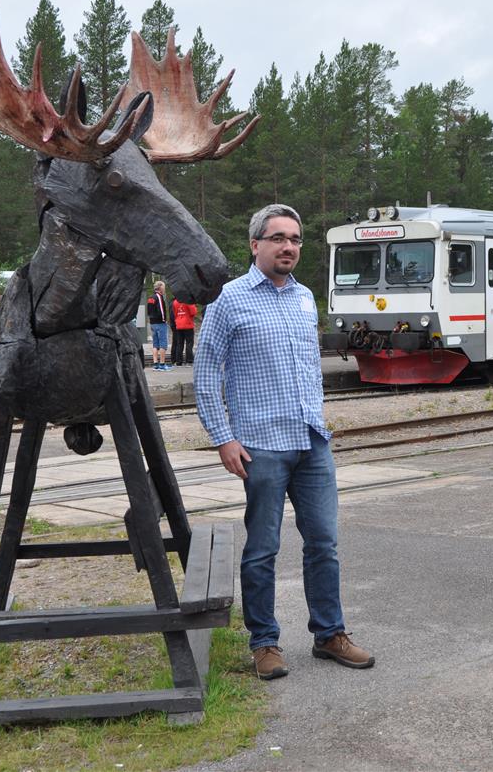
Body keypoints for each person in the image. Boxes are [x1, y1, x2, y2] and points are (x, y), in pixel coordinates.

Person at [194, 203, 374, 681]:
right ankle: (264, 643)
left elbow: (307, 371)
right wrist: (223, 437)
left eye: (294, 239)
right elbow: (207, 373)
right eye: (278, 238)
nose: (288, 246)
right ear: (255, 245)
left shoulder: (303, 297)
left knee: (324, 545)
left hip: (312, 443)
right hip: (262, 446)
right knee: (262, 550)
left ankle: (330, 634)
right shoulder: (228, 300)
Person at [146, 280, 172, 371]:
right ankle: (162, 364)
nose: (164, 289)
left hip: (152, 323)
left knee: (155, 344)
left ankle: (155, 364)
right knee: (163, 344)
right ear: (160, 287)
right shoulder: (159, 297)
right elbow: (161, 309)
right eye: (163, 287)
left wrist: (151, 320)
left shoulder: (150, 297)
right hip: (160, 323)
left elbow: (148, 310)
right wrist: (164, 320)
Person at [170, 296, 197, 366]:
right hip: (188, 324)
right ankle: (189, 360)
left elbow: (175, 313)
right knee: (189, 343)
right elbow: (193, 312)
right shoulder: (188, 301)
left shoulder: (175, 302)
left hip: (179, 324)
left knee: (179, 344)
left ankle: (179, 361)